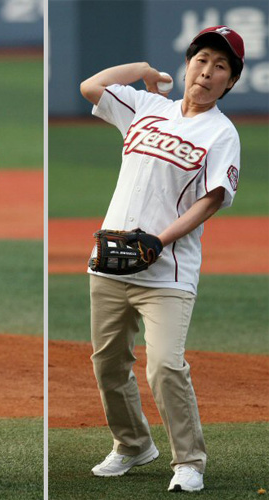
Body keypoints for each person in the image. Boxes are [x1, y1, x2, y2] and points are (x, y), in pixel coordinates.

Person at [79, 26, 244, 492]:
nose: (207, 72)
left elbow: (211, 199)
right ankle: (132, 444)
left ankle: (188, 460)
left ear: (229, 82)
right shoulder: (147, 108)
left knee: (165, 365)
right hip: (110, 261)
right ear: (187, 63)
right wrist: (144, 71)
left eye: (220, 67)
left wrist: (159, 239)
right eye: (202, 60)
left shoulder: (221, 133)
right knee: (108, 363)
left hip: (168, 271)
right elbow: (92, 86)